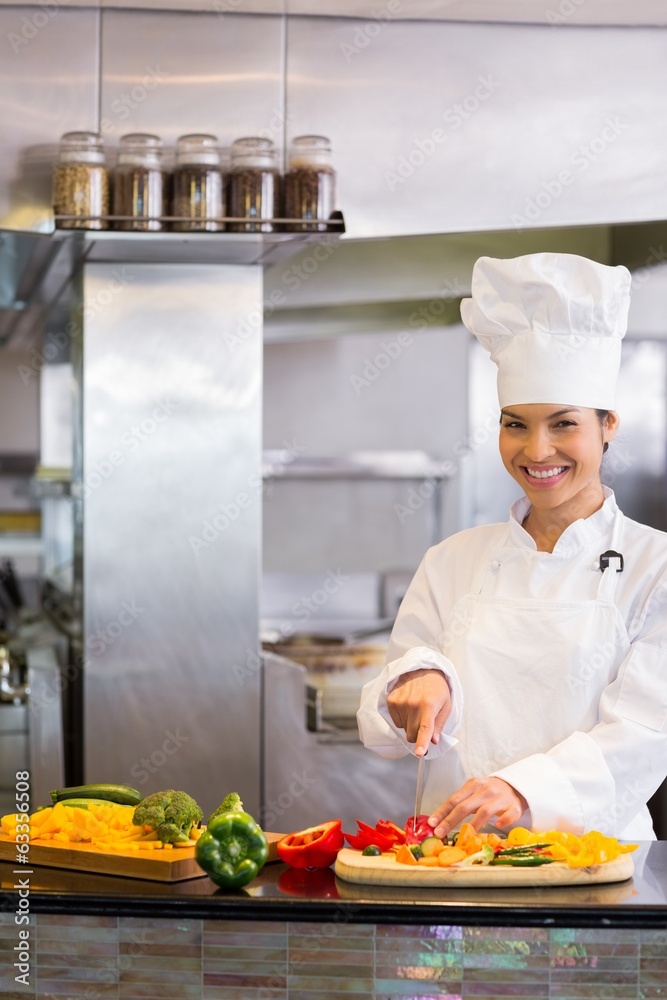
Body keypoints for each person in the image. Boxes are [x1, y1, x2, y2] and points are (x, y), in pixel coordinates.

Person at [357, 252, 667, 842]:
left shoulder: (657, 568)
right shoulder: (452, 561)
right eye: (515, 424)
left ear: (608, 426)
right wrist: (414, 681)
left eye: (564, 424)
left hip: (598, 871)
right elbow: (381, 722)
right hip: (453, 866)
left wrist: (524, 790)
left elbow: (647, 733)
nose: (537, 451)